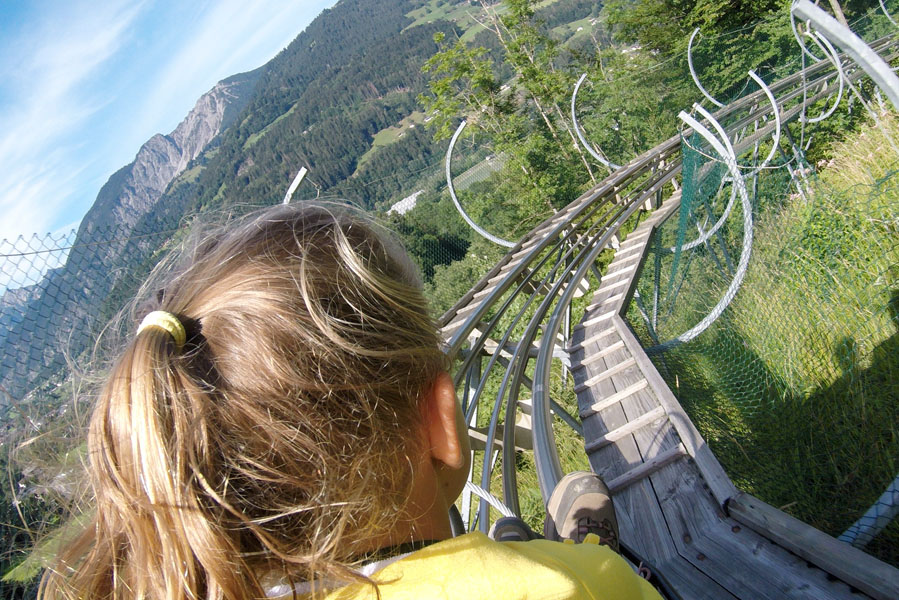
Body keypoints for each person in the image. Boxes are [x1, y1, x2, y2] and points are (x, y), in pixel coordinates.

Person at [40, 203, 660, 599]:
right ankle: (568, 544)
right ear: (442, 422)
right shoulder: (578, 591)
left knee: (513, 536)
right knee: (552, 550)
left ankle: (517, 538)